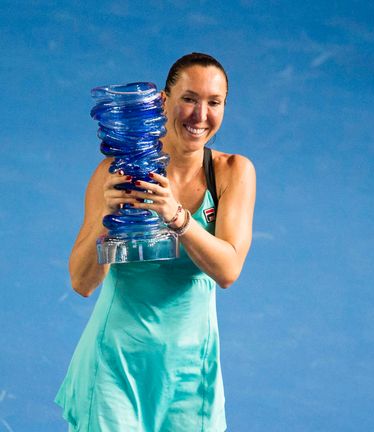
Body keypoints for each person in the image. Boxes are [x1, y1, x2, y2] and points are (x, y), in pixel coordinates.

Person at [55, 53, 256, 431]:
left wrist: (175, 215)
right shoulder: (116, 174)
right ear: (163, 101)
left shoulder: (233, 172)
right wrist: (108, 222)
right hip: (115, 366)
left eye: (214, 102)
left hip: (190, 374)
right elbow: (81, 283)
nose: (200, 115)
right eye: (189, 98)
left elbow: (228, 270)